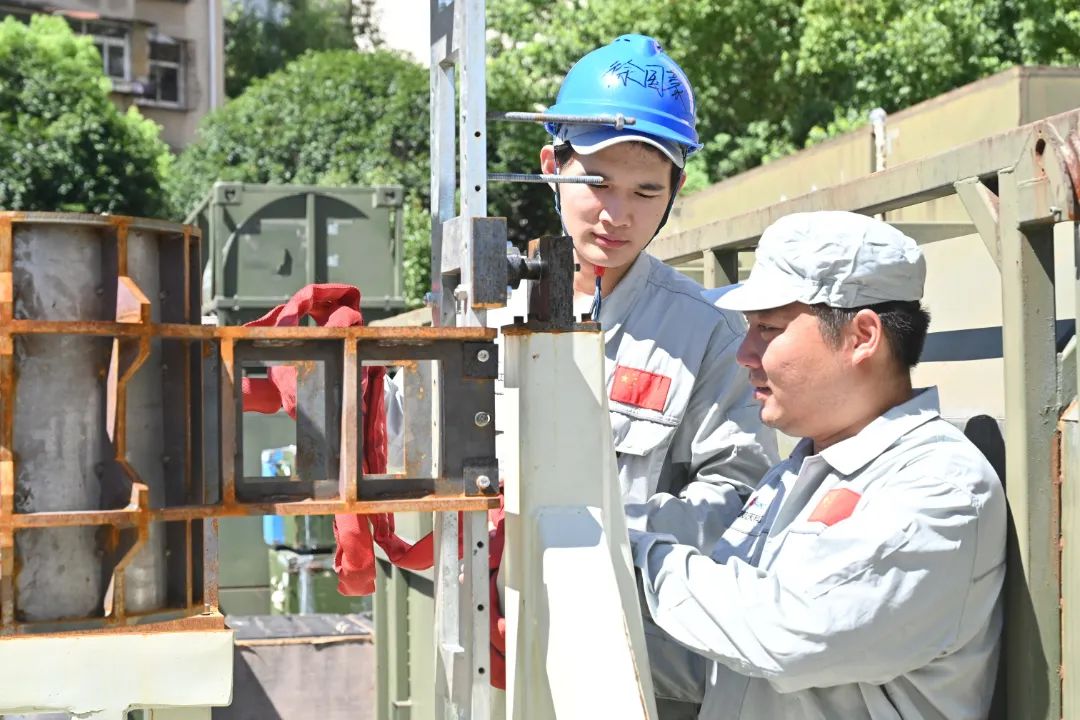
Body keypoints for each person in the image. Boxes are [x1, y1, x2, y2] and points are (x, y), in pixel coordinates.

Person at [630, 211, 1007, 719]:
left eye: (768, 328)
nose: (745, 353)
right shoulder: (794, 474)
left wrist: (635, 558)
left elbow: (787, 635)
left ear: (862, 336)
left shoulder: (939, 486)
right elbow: (725, 666)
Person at [512, 33, 779, 716]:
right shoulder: (491, 318)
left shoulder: (708, 334)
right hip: (503, 644)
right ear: (551, 165)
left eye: (646, 190)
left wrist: (611, 534)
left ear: (676, 190)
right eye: (596, 182)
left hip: (635, 667)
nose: (617, 214)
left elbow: (741, 494)